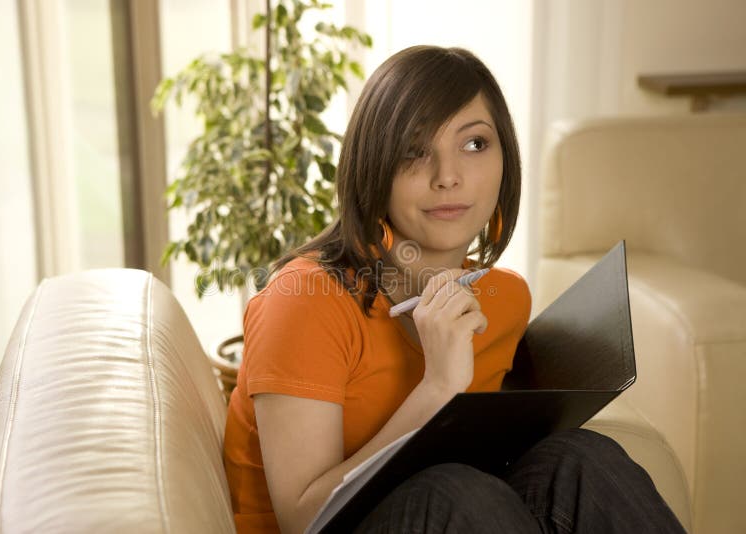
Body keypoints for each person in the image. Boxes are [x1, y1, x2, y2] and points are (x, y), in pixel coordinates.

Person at [223, 45, 685, 534]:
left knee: (580, 456)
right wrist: (438, 388)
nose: (448, 178)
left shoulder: (502, 300)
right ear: (373, 167)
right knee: (455, 489)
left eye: (474, 145)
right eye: (414, 151)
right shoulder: (304, 300)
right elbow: (303, 518)